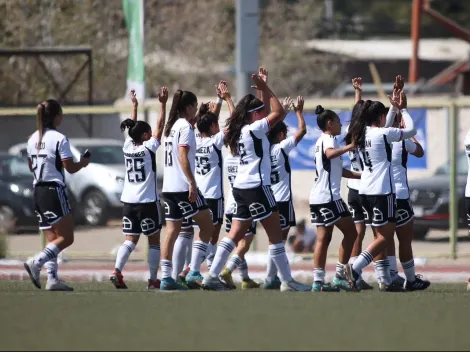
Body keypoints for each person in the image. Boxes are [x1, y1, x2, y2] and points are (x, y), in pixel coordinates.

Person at [202, 70, 310, 292]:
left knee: (234, 234)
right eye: (261, 111)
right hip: (258, 187)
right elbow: (278, 111)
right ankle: (287, 282)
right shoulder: (253, 129)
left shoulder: (239, 129)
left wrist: (262, 87)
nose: (264, 113)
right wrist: (266, 88)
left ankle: (211, 276)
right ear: (253, 115)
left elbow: (266, 112)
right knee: (275, 237)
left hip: (240, 188)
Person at [345, 88, 418, 292]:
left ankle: (384, 278)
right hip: (381, 191)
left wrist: (394, 109)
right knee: (385, 237)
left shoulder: (361, 133)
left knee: (378, 235)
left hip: (365, 191)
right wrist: (403, 110)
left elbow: (383, 129)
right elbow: (411, 131)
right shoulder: (383, 133)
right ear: (379, 116)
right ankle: (355, 267)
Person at [24, 99, 90, 291]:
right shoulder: (60, 138)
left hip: (38, 191)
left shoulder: (31, 139)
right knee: (67, 238)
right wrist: (83, 163)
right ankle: (36, 261)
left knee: (52, 238)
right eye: (61, 114)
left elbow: (31, 166)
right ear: (56, 117)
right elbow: (70, 167)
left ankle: (52, 279)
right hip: (54, 190)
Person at [109, 88, 168, 290]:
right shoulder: (147, 148)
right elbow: (161, 125)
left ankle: (117, 270)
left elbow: (131, 128)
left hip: (128, 202)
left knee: (130, 240)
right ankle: (152, 280)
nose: (152, 134)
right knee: (153, 241)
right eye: (149, 133)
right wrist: (163, 103)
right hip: (147, 202)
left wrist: (134, 106)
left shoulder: (128, 146)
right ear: (144, 135)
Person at [161, 89, 215, 290]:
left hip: (168, 187)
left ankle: (166, 278)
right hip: (183, 188)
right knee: (208, 225)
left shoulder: (171, 126)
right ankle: (193, 271)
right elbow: (182, 156)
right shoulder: (185, 127)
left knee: (172, 230)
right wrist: (192, 182)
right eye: (195, 105)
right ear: (189, 106)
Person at [309, 105, 361, 292]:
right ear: (329, 123)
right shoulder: (329, 139)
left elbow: (337, 169)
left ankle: (317, 281)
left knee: (324, 238)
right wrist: (351, 146)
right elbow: (330, 154)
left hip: (318, 197)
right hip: (329, 198)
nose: (340, 125)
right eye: (338, 121)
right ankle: (339, 276)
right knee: (352, 233)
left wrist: (360, 175)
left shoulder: (320, 140)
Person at [262, 95, 307, 290]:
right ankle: (277, 278)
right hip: (282, 199)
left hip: (268, 198)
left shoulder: (263, 149)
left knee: (276, 240)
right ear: (281, 135)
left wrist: (283, 113)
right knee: (279, 240)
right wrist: (298, 112)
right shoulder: (281, 149)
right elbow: (303, 130)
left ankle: (271, 277)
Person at [389, 98, 430, 290]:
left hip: (380, 194)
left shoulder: (371, 137)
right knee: (404, 239)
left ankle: (387, 277)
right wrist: (409, 133)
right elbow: (420, 151)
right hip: (400, 194)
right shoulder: (401, 139)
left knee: (384, 238)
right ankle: (411, 279)